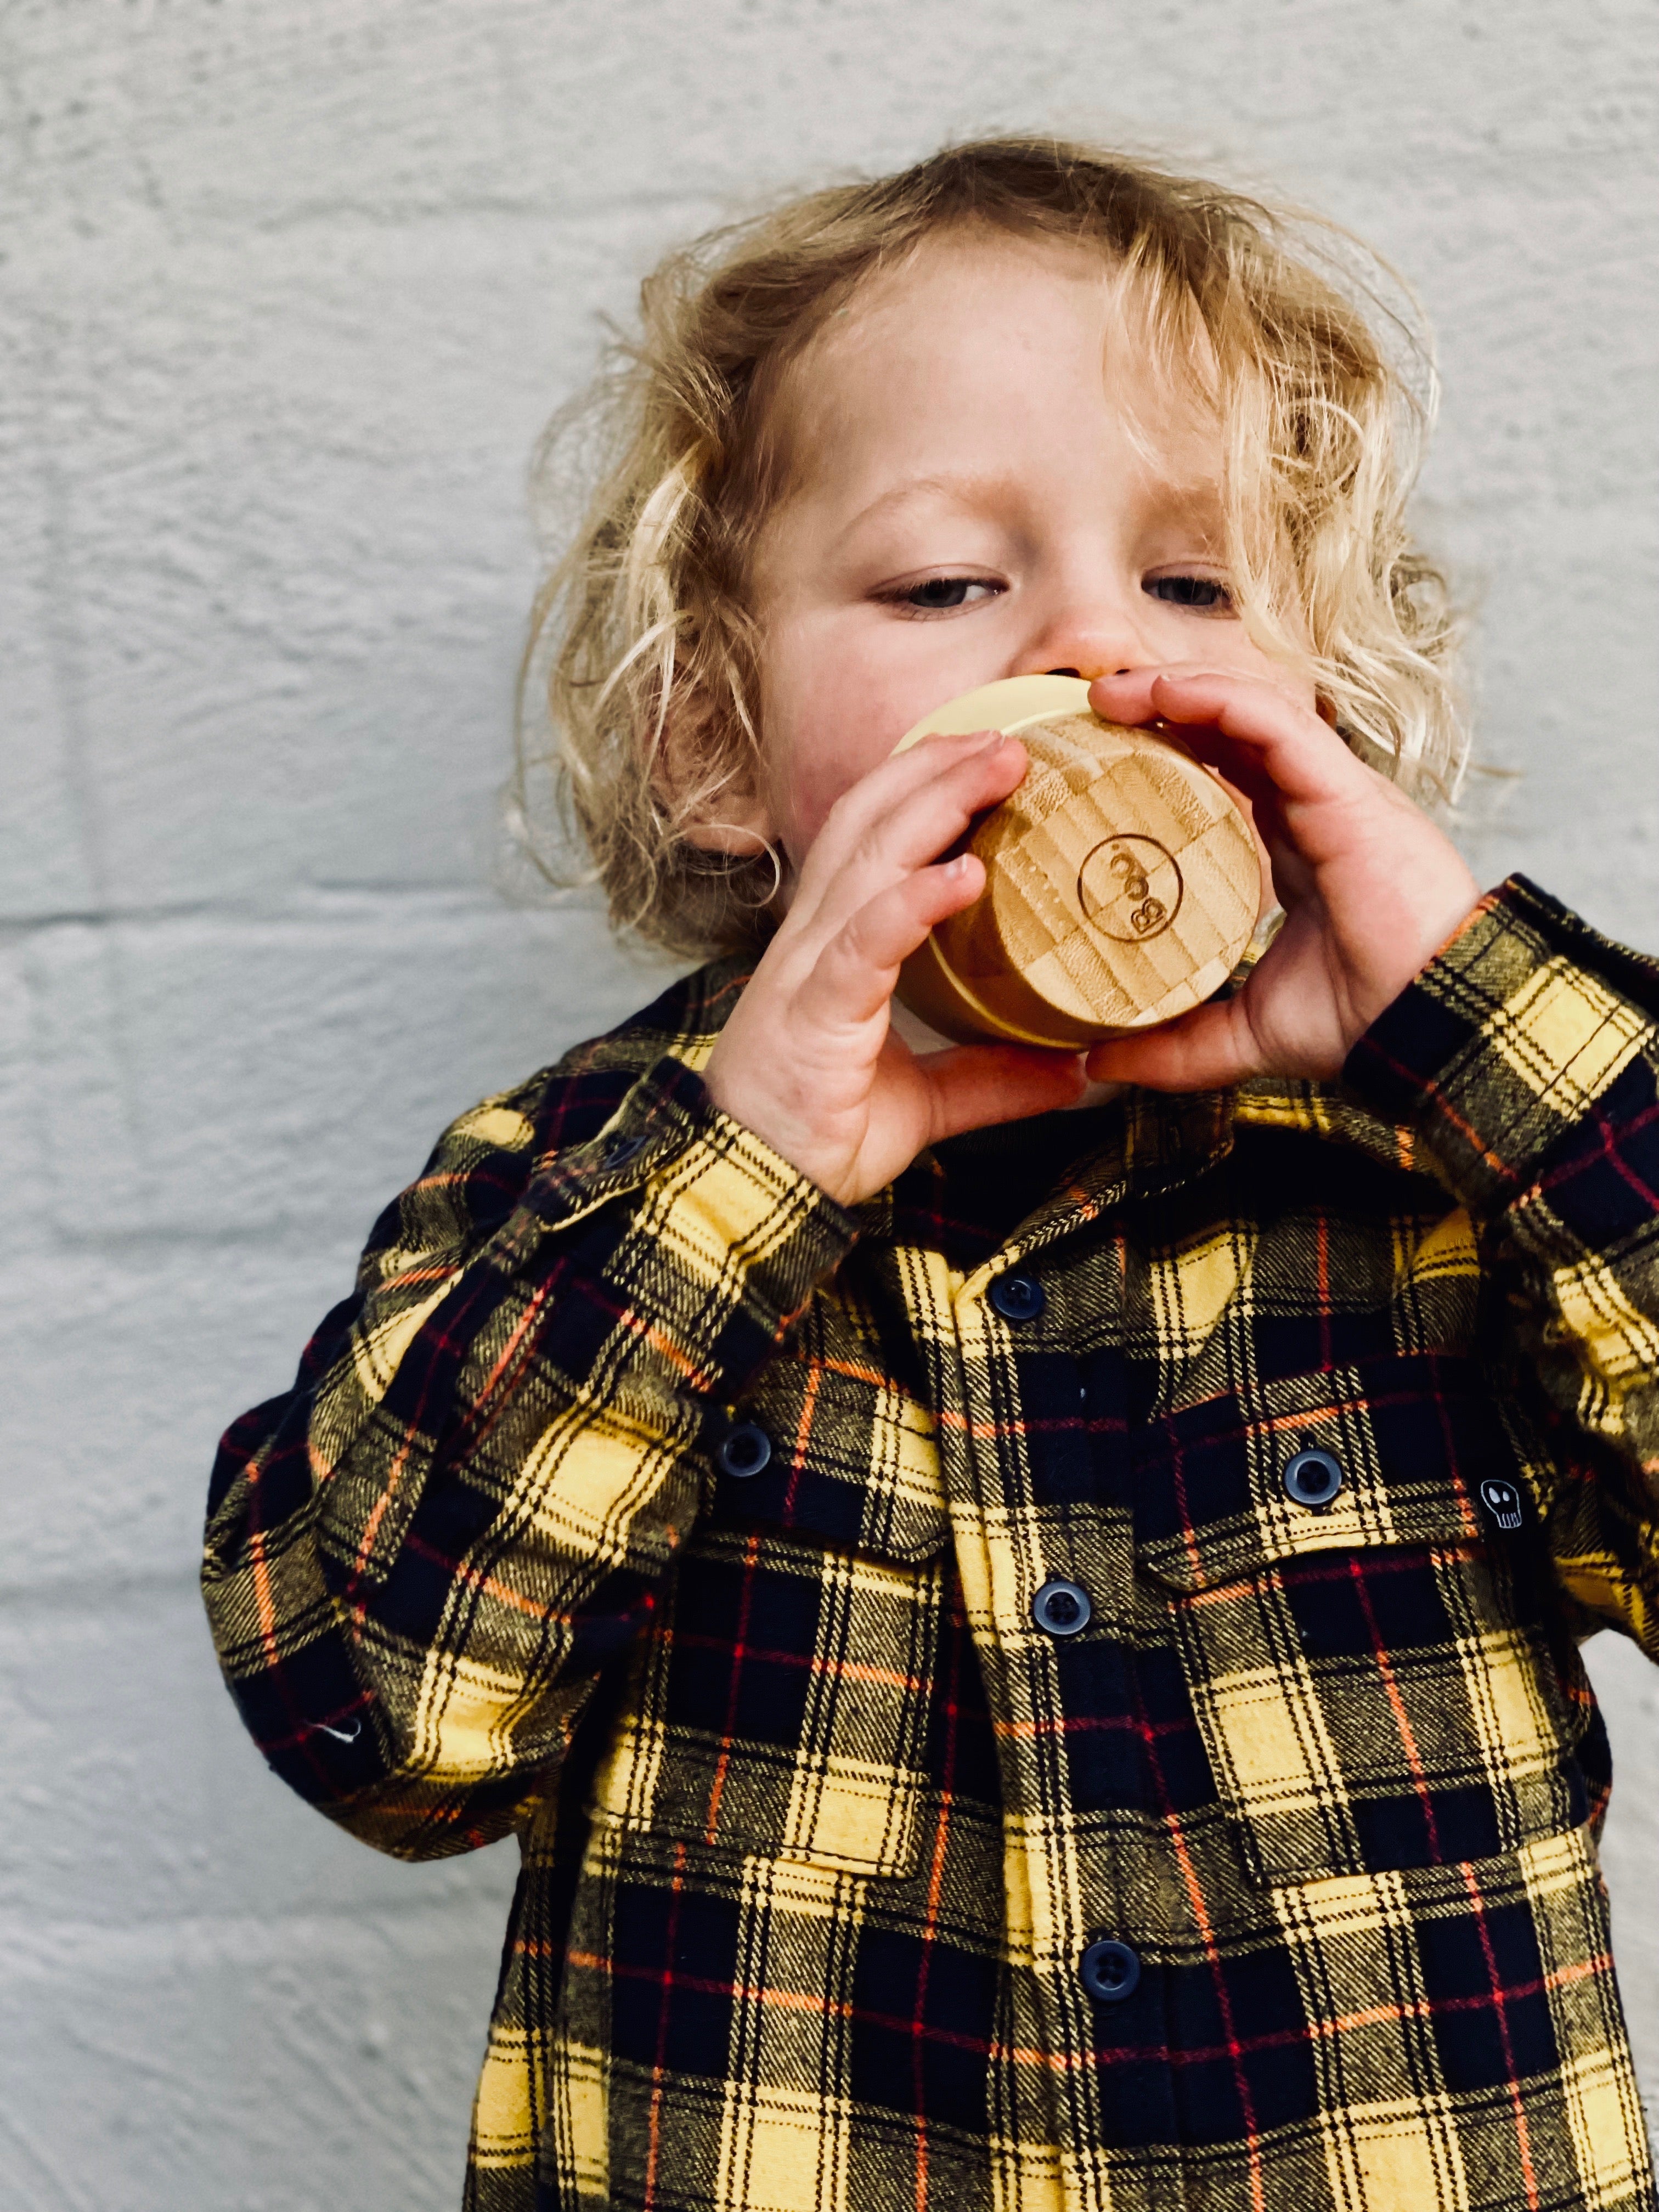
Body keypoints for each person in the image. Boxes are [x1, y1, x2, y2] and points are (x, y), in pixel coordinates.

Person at [202, 139, 1659, 2212]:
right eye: (945, 587)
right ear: (719, 737)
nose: (1088, 652)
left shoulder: (1450, 1184)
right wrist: (750, 1174)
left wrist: (1471, 1020)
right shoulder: (589, 1192)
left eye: (1192, 581)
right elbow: (375, 1714)